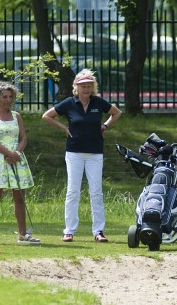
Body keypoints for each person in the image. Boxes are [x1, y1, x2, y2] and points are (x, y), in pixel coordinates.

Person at [42, 69, 122, 242]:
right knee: (73, 191)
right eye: (83, 86)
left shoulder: (98, 102)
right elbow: (47, 116)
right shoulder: (69, 103)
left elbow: (116, 113)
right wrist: (64, 128)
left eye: (89, 86)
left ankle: (98, 231)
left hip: (95, 153)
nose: (86, 89)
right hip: (74, 153)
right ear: (76, 87)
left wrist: (105, 126)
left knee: (96, 192)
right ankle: (69, 230)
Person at [0, 81, 40, 245]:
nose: (8, 100)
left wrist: (17, 153)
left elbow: (24, 138)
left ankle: (23, 234)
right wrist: (9, 154)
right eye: (4, 97)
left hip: (17, 158)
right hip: (0, 159)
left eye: (10, 96)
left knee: (19, 196)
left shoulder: (16, 116)